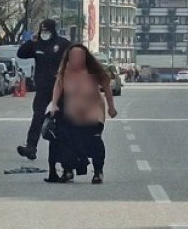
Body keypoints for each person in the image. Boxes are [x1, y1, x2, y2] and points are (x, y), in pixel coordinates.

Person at [49, 44, 117, 184]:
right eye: (73, 56)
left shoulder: (93, 71)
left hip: (93, 112)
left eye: (80, 56)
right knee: (67, 141)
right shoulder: (65, 71)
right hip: (72, 111)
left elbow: (107, 88)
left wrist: (111, 107)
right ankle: (68, 170)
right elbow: (58, 86)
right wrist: (54, 104)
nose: (76, 59)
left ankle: (98, 171)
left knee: (94, 141)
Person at [16, 19, 71, 160]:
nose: (44, 33)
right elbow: (21, 53)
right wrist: (32, 41)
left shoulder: (63, 44)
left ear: (53, 31)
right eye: (42, 30)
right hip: (42, 89)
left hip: (60, 88)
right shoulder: (37, 44)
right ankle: (31, 147)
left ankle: (68, 148)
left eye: (46, 31)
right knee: (37, 117)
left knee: (64, 119)